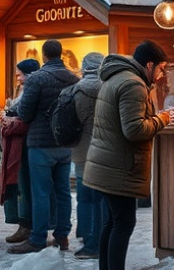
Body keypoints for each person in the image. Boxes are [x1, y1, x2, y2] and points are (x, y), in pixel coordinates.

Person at [84, 40, 170, 270]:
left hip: (107, 164)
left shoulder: (117, 77)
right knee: (123, 223)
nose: (161, 75)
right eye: (161, 68)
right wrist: (161, 119)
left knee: (112, 222)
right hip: (119, 167)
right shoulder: (134, 84)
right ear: (149, 65)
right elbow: (134, 130)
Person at [8, 39, 79, 254]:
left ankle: (38, 238)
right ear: (61, 54)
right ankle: (62, 236)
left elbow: (25, 112)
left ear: (44, 56)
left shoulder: (37, 78)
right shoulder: (73, 79)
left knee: (40, 192)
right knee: (63, 192)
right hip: (64, 143)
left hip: (40, 143)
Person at [0, 58, 39, 245]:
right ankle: (24, 224)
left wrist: (9, 119)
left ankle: (28, 226)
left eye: (20, 73)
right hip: (20, 144)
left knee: (25, 187)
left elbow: (25, 115)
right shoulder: (21, 90)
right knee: (20, 186)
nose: (17, 76)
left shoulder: (33, 90)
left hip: (25, 144)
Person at [71, 52, 105, 260]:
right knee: (99, 198)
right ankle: (96, 239)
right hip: (102, 149)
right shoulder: (108, 88)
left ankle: (85, 235)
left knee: (83, 197)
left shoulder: (76, 89)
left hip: (81, 149)